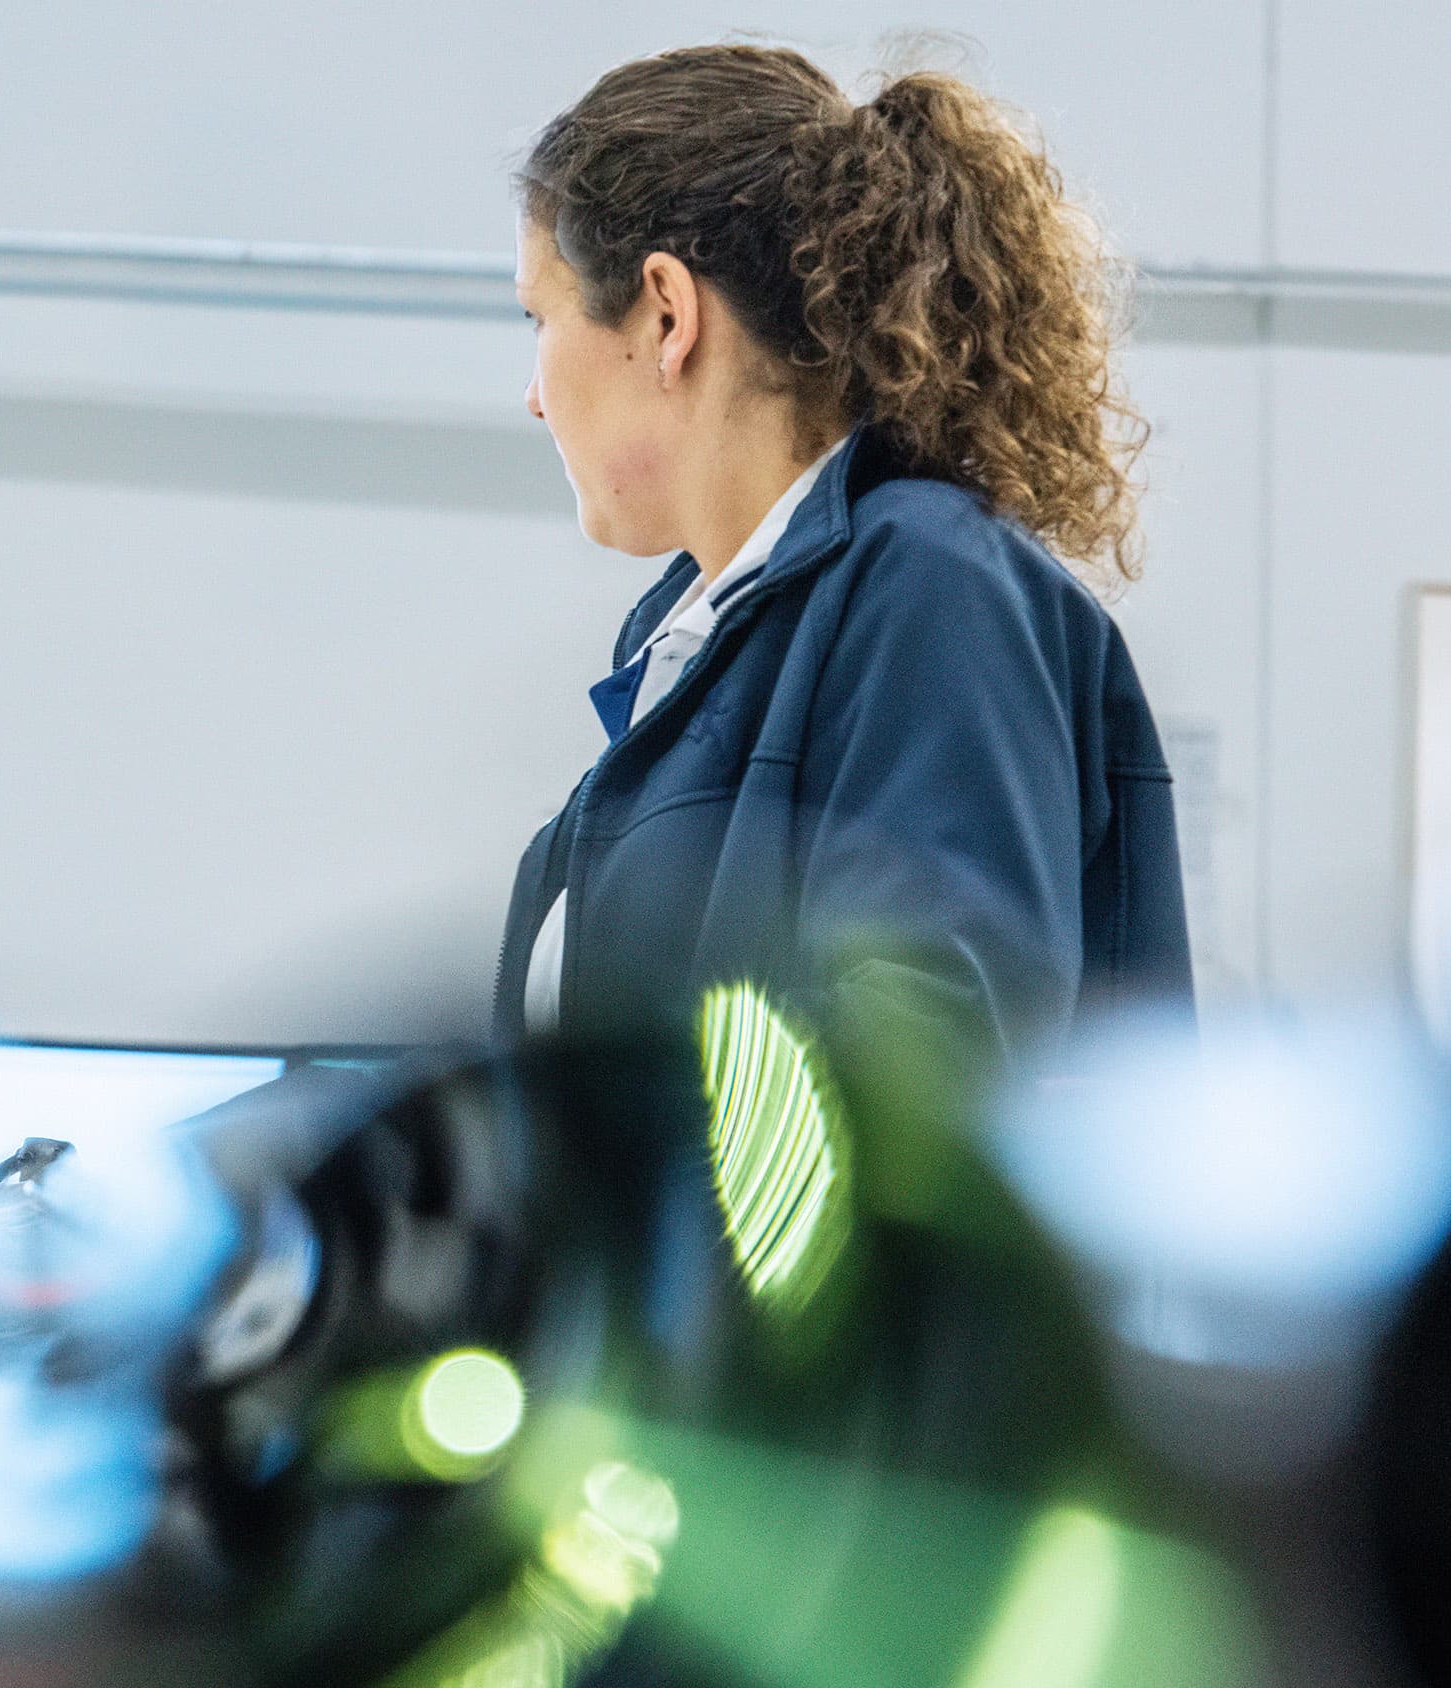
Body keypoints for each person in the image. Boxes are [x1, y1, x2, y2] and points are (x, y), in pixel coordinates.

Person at [494, 45, 1192, 1069]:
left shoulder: (931, 584)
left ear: (667, 315)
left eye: (540, 318)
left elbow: (930, 1080)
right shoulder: (701, 649)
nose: (533, 395)